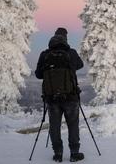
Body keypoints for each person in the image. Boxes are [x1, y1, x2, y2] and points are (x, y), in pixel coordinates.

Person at [35, 27, 85, 162]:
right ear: (66, 38)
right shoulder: (71, 53)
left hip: (52, 99)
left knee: (54, 126)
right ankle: (74, 153)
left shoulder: (45, 55)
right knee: (73, 125)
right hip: (71, 97)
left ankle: (58, 154)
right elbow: (80, 65)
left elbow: (38, 74)